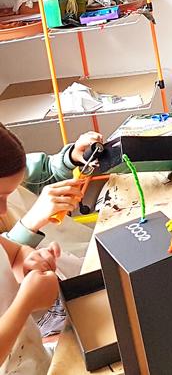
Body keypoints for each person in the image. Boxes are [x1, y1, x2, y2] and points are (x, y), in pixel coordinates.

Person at [0, 124, 63, 374]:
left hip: (35, 360)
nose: (4, 211)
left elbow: (12, 252)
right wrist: (25, 302)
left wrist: (30, 259)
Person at [4, 132, 101, 249]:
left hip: (77, 247)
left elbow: (45, 173)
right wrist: (29, 223)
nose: (4, 209)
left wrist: (71, 158)